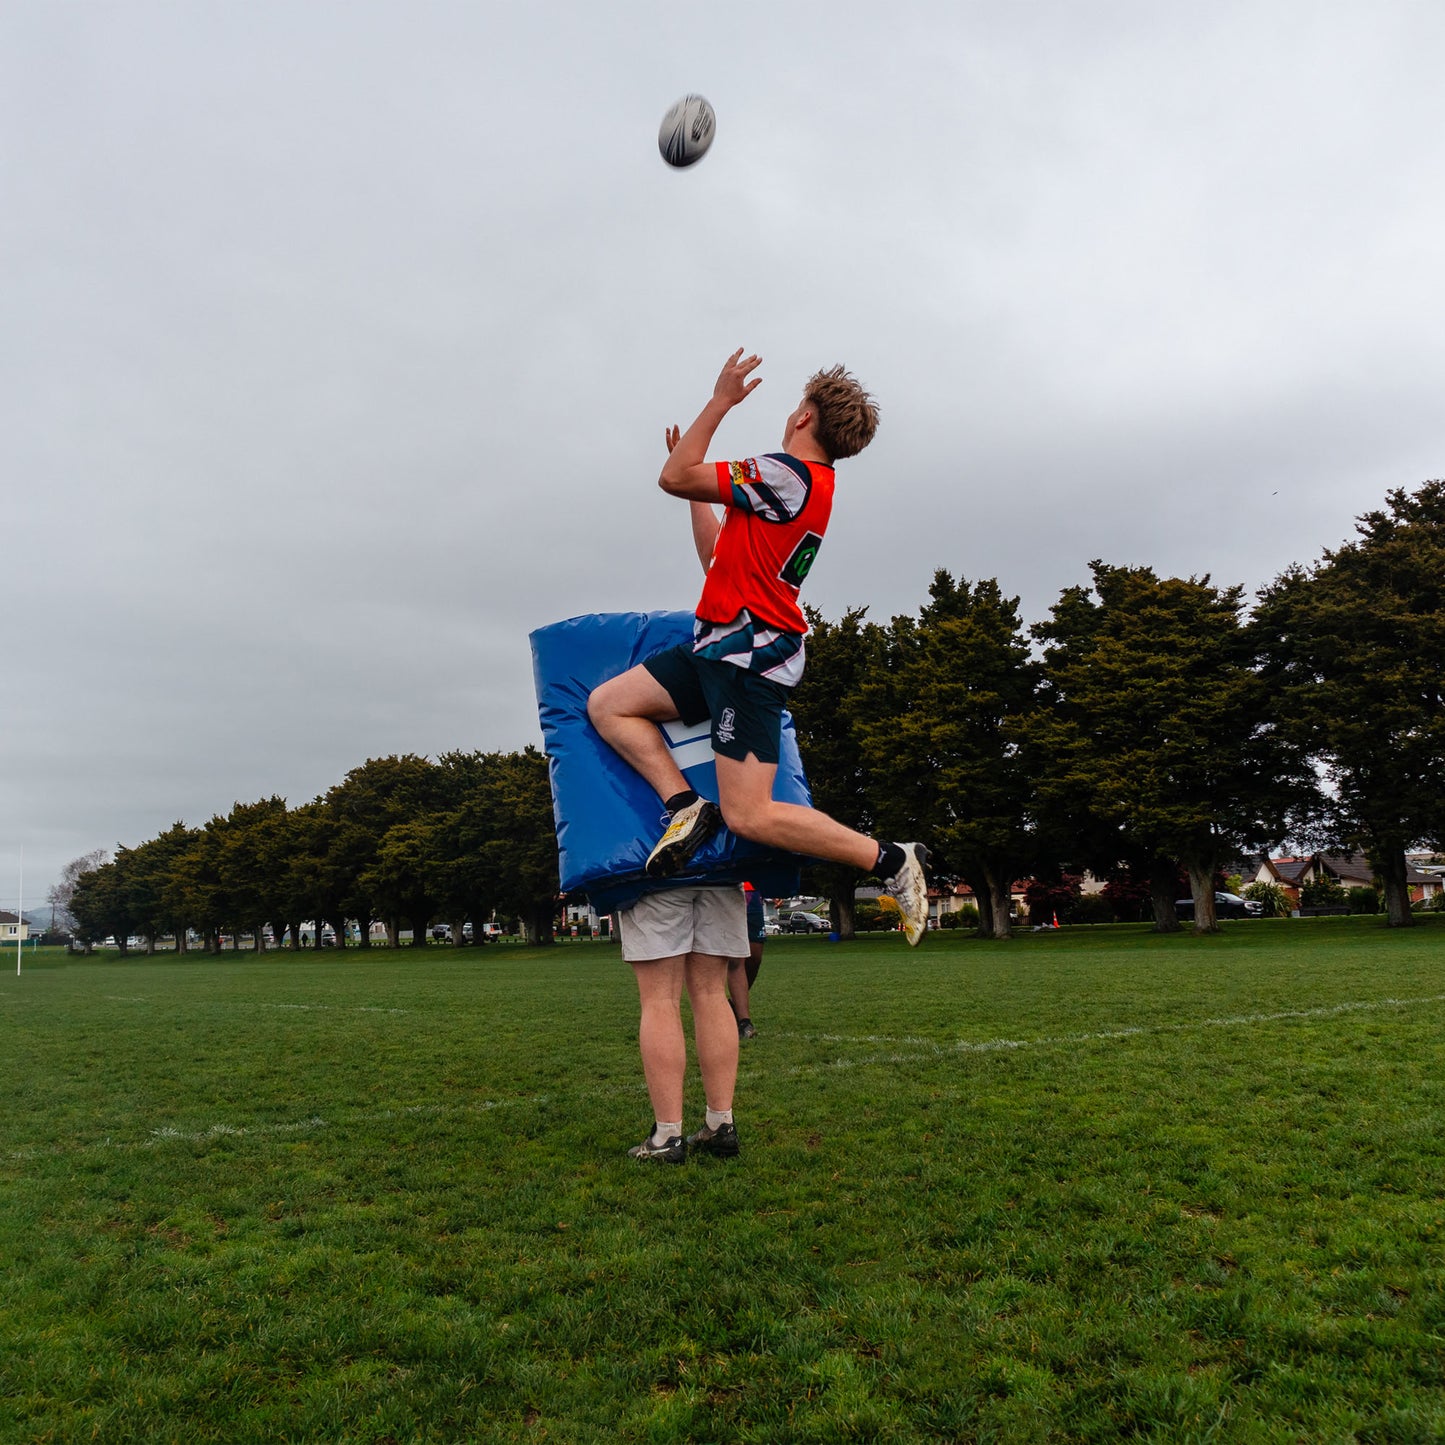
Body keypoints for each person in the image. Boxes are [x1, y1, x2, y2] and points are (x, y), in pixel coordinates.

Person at [587, 350, 930, 944]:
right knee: (610, 704)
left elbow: (673, 475)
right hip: (719, 649)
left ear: (803, 417)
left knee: (751, 815)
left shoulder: (784, 474)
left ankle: (893, 860)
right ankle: (685, 807)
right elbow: (714, 557)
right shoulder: (797, 489)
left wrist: (719, 402)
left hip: (749, 661)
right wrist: (699, 491)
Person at [617, 883, 746, 1163]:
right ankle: (721, 1123)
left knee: (660, 999)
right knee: (713, 993)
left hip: (657, 873)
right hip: (721, 870)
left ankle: (667, 1136)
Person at [728, 882, 765, 1039]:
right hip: (727, 887)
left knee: (755, 957)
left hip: (753, 891)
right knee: (737, 959)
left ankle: (733, 1004)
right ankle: (745, 1022)